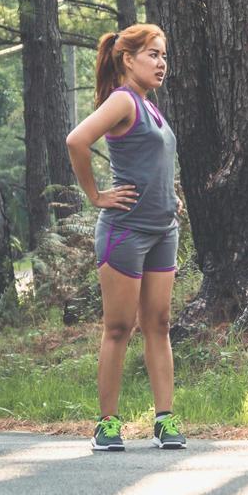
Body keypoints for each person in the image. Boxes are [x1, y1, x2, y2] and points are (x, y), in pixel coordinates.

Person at [66, 23, 186, 451]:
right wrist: (95, 195)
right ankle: (107, 424)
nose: (161, 63)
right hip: (125, 232)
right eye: (153, 54)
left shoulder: (149, 106)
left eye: (164, 56)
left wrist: (169, 196)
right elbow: (77, 140)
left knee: (158, 324)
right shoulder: (122, 100)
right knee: (119, 327)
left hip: (162, 231)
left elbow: (152, 162)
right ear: (127, 59)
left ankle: (165, 420)